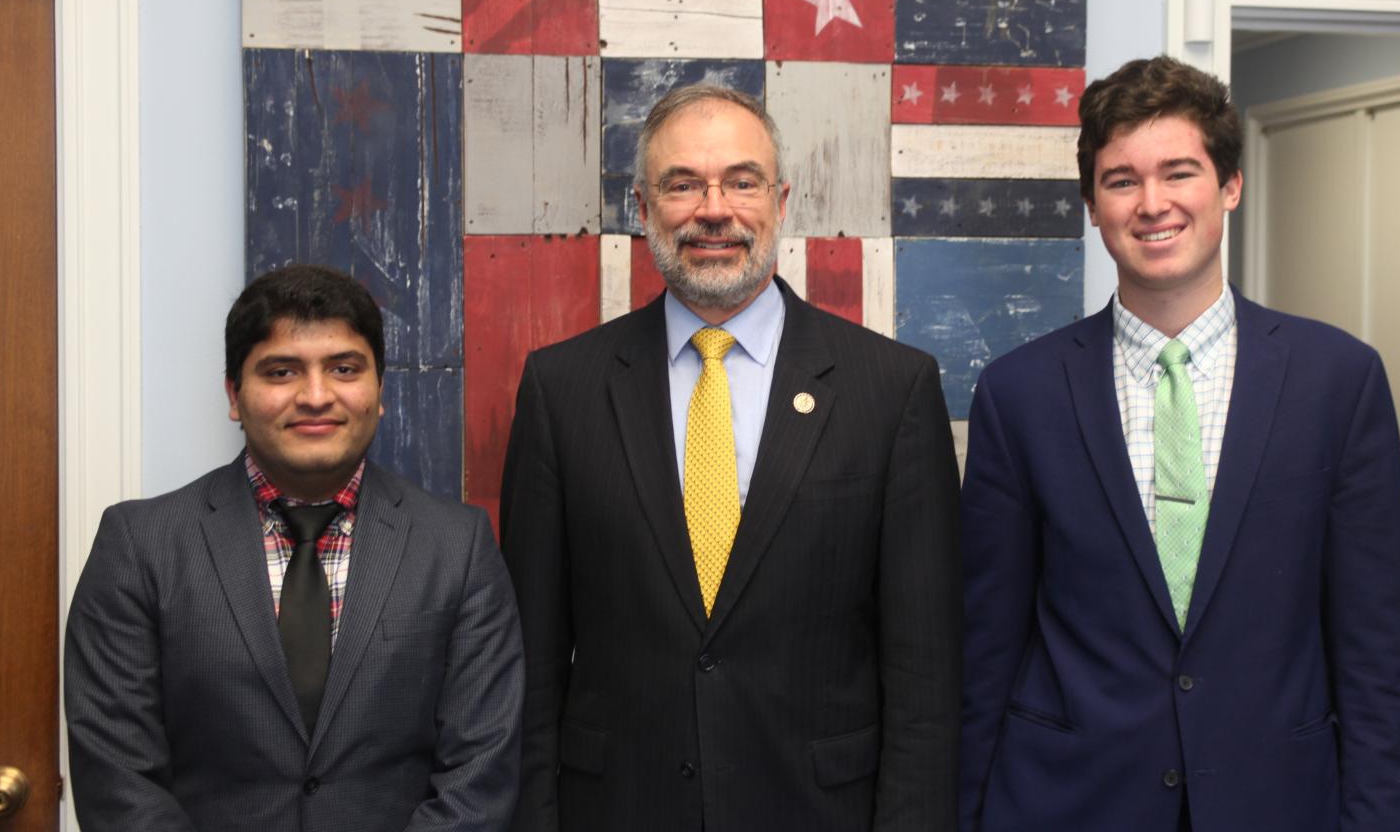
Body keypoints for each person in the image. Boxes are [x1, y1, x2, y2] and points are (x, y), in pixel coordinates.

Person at [958, 56, 1400, 831]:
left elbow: (1379, 658)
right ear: (1092, 204)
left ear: (1230, 185)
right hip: (1067, 804)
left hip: (1275, 804)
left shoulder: (1339, 382)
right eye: (1122, 180)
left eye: (1179, 172)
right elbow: (985, 648)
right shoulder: (1019, 394)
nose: (1153, 204)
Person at [500, 84, 961, 831]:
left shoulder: (891, 389)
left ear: (781, 202)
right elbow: (530, 663)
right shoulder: (562, 389)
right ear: (642, 208)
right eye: (682, 184)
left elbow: (925, 678)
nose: (714, 210)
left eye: (742, 182)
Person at [65, 264, 523, 831]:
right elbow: (118, 776)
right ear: (234, 394)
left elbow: (479, 772)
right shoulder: (140, 545)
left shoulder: (458, 546)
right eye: (281, 371)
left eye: (344, 369)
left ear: (379, 391)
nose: (315, 396)